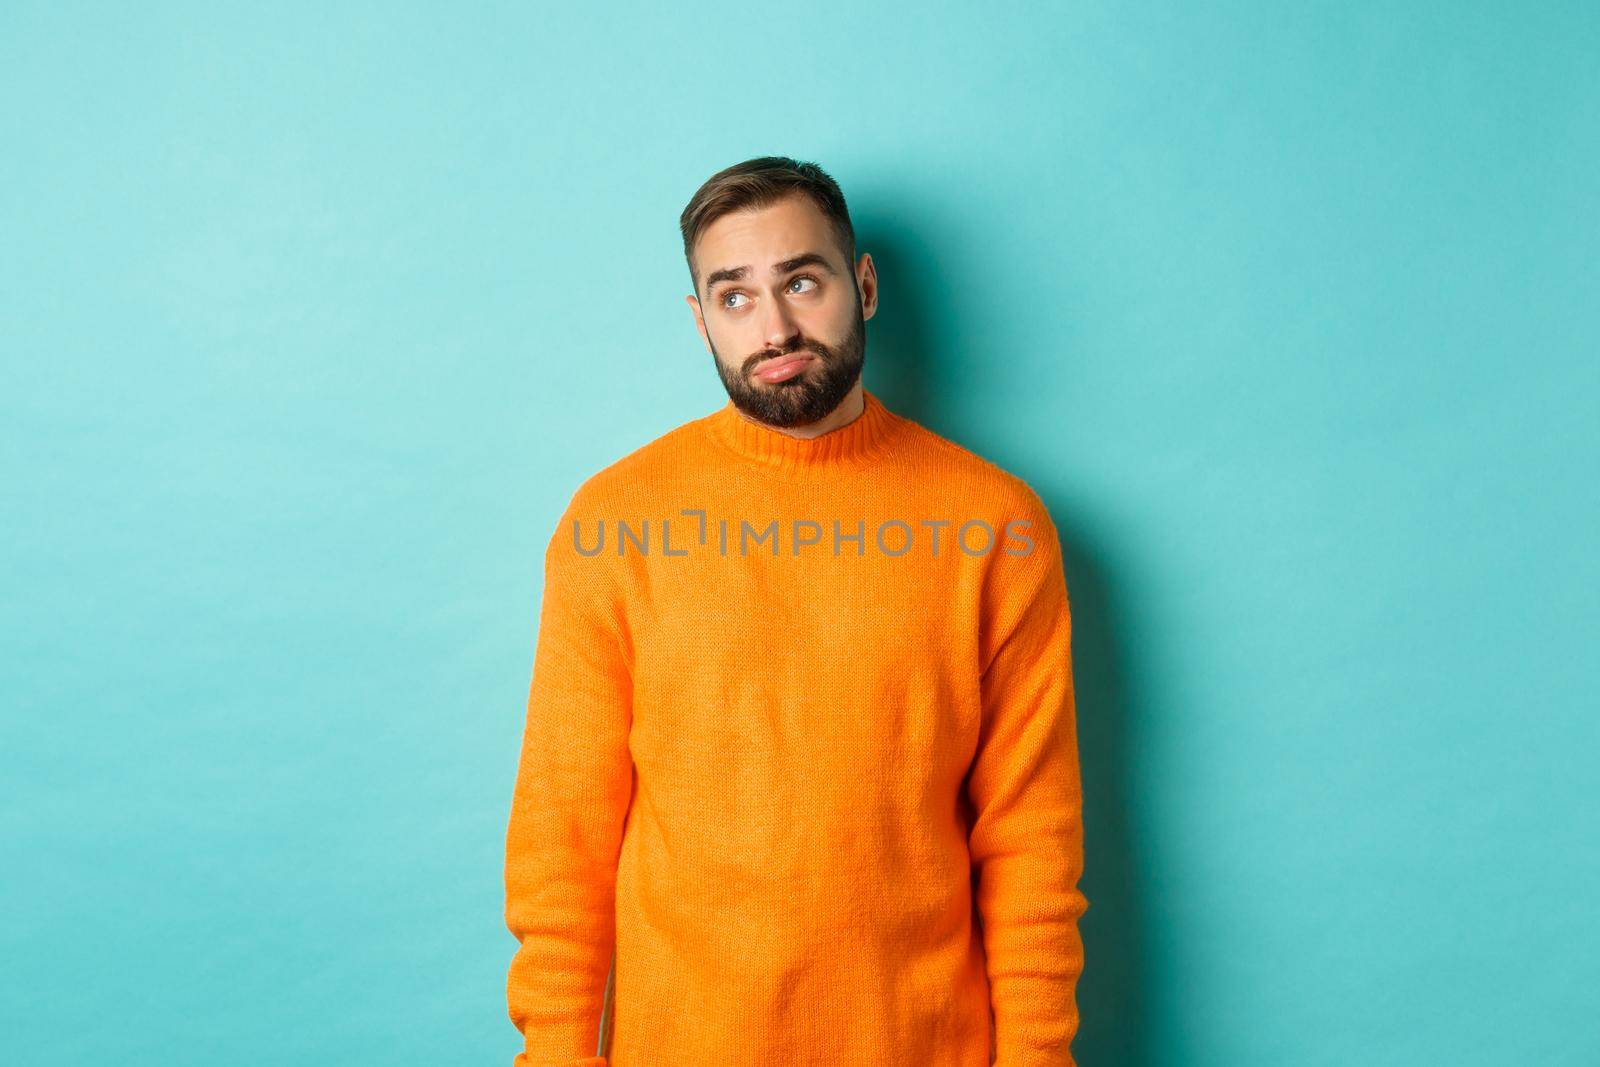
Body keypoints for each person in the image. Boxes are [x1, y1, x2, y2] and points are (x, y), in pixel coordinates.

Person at [504, 155, 1087, 1066]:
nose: (772, 327)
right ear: (701, 324)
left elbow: (1031, 844)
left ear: (862, 285)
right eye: (733, 298)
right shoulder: (614, 522)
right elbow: (562, 839)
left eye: (801, 282)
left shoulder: (995, 527)